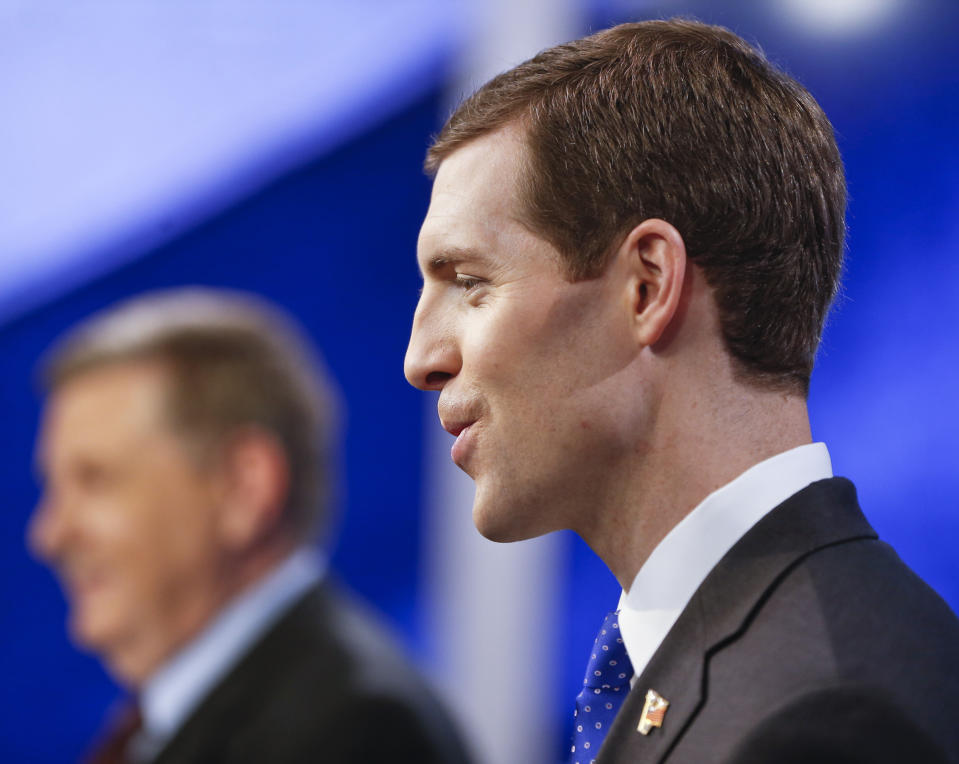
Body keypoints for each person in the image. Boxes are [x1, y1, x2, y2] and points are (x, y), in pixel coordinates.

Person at [404, 18, 959, 764]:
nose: (421, 359)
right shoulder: (748, 655)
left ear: (646, 286)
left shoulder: (824, 716)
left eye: (470, 283)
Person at [30, 288, 472, 764]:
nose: (48, 535)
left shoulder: (353, 735)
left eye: (95, 480)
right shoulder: (182, 719)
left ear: (242, 487)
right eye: (53, 489)